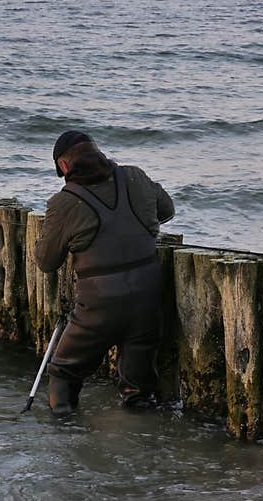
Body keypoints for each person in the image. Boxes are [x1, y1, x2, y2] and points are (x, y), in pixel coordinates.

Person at [34, 130, 175, 416]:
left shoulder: (63, 202)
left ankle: (65, 441)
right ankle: (142, 444)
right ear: (97, 151)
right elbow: (167, 210)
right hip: (148, 297)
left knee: (64, 373)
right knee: (139, 391)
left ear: (63, 167)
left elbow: (47, 261)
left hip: (98, 306)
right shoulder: (135, 176)